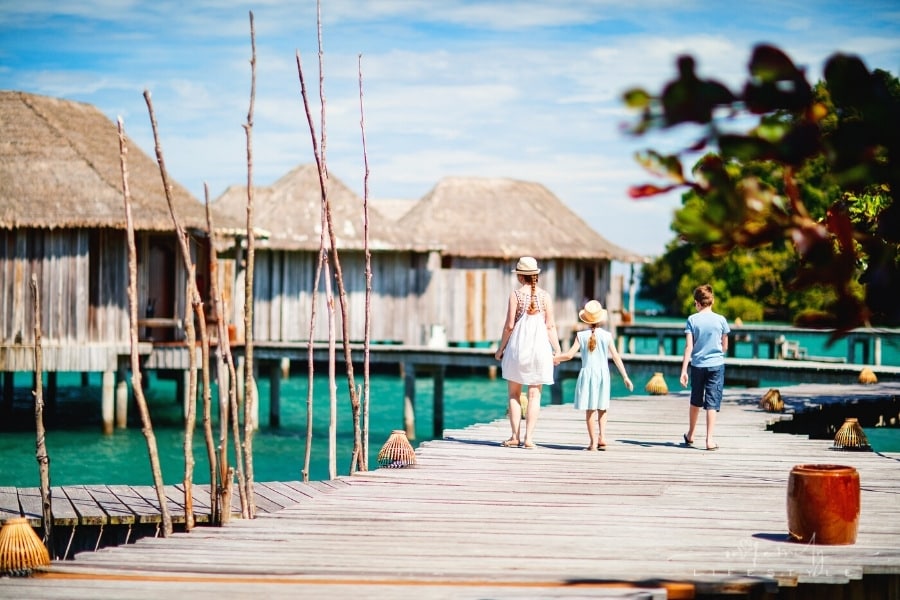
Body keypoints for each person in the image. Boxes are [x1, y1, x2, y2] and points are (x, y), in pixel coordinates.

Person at [494, 256, 562, 449]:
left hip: (518, 348)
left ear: (520, 276)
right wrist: (557, 350)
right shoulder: (545, 296)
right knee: (535, 395)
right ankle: (529, 438)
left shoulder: (515, 295)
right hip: (540, 349)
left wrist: (501, 349)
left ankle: (515, 436)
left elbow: (509, 326)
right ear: (535, 275)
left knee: (514, 394)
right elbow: (550, 326)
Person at [555, 300, 633, 450]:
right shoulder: (607, 335)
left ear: (586, 319)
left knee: (590, 409)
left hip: (588, 375)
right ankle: (602, 436)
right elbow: (616, 357)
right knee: (602, 407)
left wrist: (555, 358)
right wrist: (625, 376)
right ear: (600, 319)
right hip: (603, 375)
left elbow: (570, 355)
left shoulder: (581, 336)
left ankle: (592, 443)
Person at [679, 284, 730, 450]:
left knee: (696, 400)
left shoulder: (692, 320)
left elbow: (689, 347)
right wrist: (715, 352)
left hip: (698, 365)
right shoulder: (721, 320)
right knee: (712, 402)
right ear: (712, 301)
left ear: (697, 303)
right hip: (716, 365)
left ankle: (691, 434)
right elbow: (725, 346)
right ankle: (709, 440)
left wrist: (684, 370)